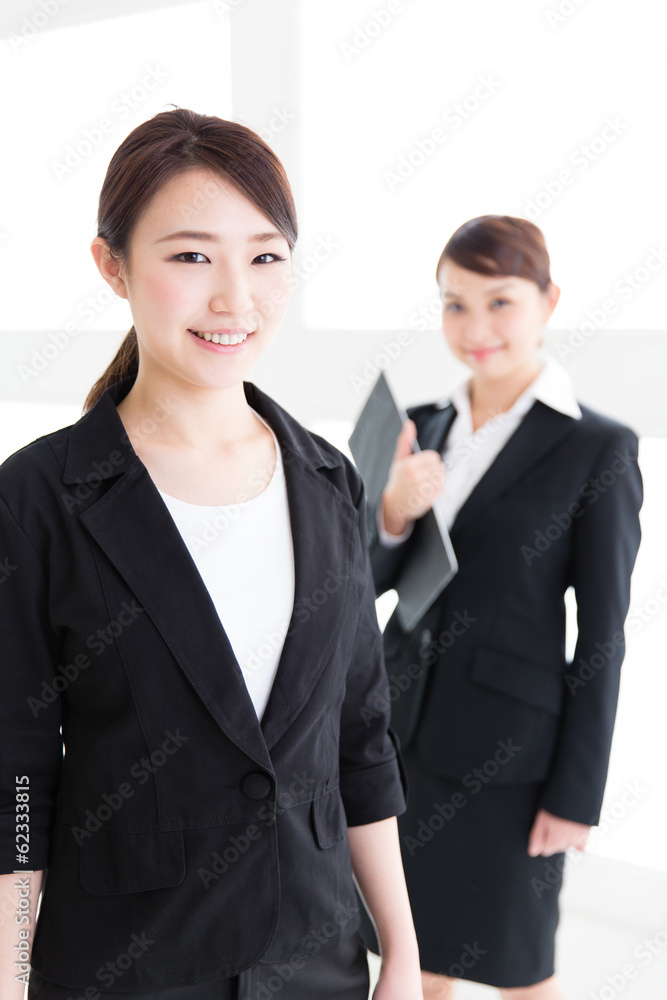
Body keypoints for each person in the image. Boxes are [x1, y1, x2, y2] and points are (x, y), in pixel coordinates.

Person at [0, 108, 423, 1000]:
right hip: (126, 967)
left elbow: (359, 736)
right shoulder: (39, 496)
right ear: (111, 266)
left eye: (265, 256)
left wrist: (403, 951)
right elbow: (18, 776)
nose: (236, 297)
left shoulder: (326, 478)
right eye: (191, 256)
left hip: (316, 962)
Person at [361, 216, 643, 999]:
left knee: (519, 968)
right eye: (454, 305)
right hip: (395, 734)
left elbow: (603, 634)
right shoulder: (425, 423)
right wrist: (390, 509)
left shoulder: (596, 447)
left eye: (499, 302)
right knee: (409, 958)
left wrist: (574, 794)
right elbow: (361, 577)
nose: (473, 327)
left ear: (548, 300)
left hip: (507, 758)